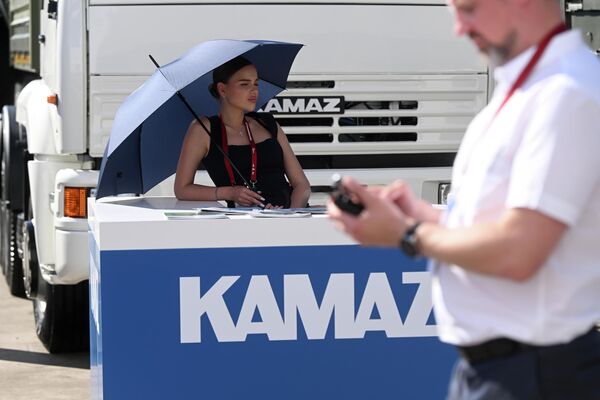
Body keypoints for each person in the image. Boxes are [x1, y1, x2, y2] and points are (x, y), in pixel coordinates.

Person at [328, 0, 600, 398]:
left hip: (536, 374)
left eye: (468, 8)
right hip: (507, 370)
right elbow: (502, 227)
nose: (458, 27)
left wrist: (408, 232)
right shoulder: (531, 88)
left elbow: (518, 251)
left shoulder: (566, 93)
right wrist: (426, 217)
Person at [175, 56, 310, 208]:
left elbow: (302, 185)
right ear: (222, 89)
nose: (254, 90)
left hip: (293, 218)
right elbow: (182, 189)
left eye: (256, 84)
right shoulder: (203, 129)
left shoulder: (267, 123)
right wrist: (229, 193)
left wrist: (290, 215)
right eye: (245, 84)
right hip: (244, 224)